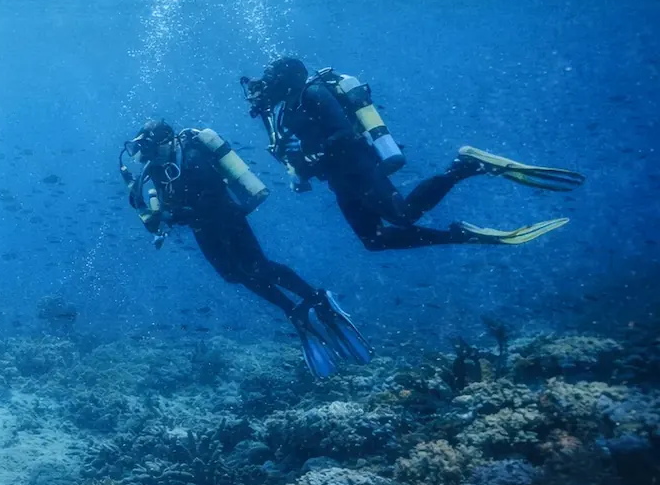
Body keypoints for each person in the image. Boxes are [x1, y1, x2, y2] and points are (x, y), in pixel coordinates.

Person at [241, 57, 584, 251]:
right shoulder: (286, 110)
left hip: (359, 167)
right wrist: (299, 163)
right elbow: (306, 148)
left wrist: (315, 158)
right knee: (373, 241)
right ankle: (460, 234)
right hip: (339, 179)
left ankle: (463, 167)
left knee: (403, 215)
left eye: (271, 79)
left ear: (288, 79)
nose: (265, 87)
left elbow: (343, 133)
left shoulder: (314, 93)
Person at [120, 119, 371, 378]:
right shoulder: (156, 169)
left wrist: (179, 213)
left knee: (256, 266)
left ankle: (318, 298)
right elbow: (156, 218)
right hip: (202, 227)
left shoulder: (193, 153)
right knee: (233, 275)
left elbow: (209, 193)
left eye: (153, 149)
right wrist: (136, 195)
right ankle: (293, 311)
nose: (149, 156)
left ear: (167, 142)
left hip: (227, 216)